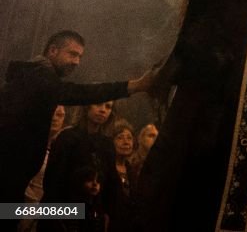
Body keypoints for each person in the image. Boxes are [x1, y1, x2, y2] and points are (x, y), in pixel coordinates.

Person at [0, 30, 153, 230]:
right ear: (52, 51)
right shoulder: (39, 79)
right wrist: (133, 86)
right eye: (72, 54)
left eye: (80, 57)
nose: (77, 62)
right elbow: (53, 190)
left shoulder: (105, 145)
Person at [41, 102, 118, 231]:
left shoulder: (107, 144)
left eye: (108, 107)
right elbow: (53, 181)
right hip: (64, 214)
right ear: (87, 106)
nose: (103, 110)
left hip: (92, 217)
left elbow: (111, 184)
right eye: (98, 104)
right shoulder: (67, 138)